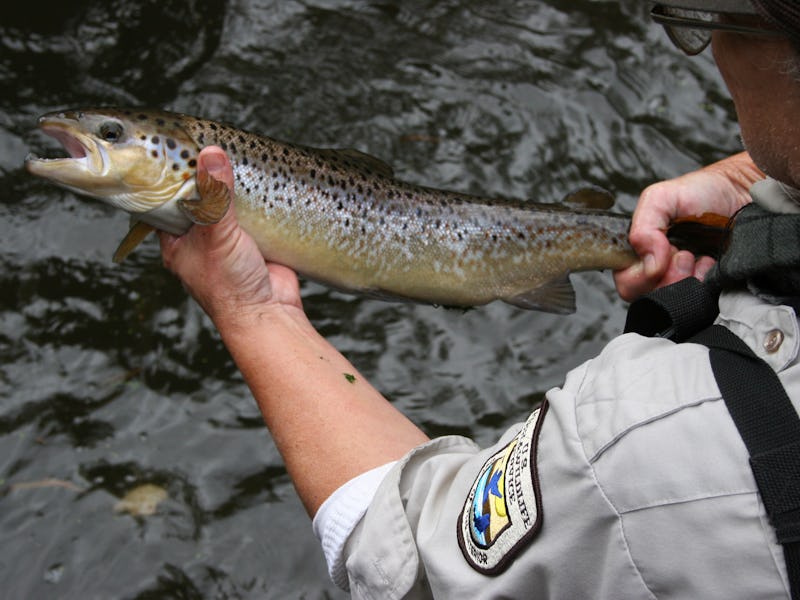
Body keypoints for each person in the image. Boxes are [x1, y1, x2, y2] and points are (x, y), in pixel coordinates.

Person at [159, 0, 800, 597]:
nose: (712, 44)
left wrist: (253, 311)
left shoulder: (636, 445)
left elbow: (409, 565)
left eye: (712, 12)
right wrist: (763, 179)